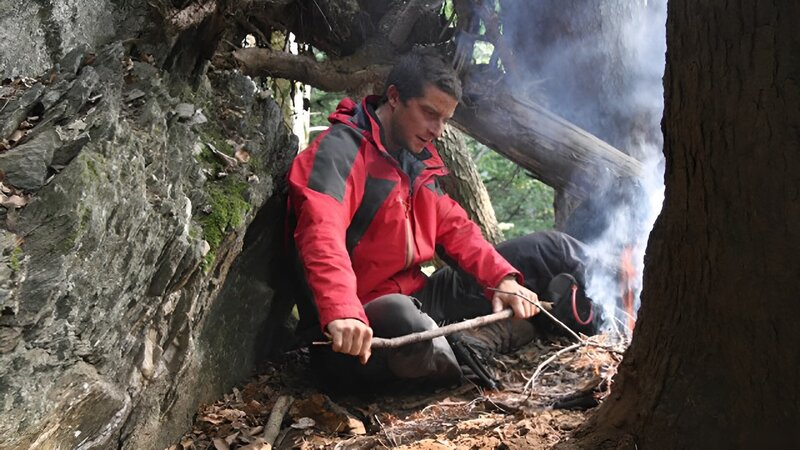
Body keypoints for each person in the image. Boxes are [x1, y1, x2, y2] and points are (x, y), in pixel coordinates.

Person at [287, 48, 579, 392]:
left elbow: (456, 229)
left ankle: (597, 309)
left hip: (421, 298)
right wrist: (343, 310)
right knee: (402, 317)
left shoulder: (416, 161)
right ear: (394, 97)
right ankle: (464, 351)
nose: (437, 130)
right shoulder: (340, 150)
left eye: (445, 119)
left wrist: (503, 278)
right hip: (357, 324)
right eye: (429, 113)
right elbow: (321, 233)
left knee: (548, 248)